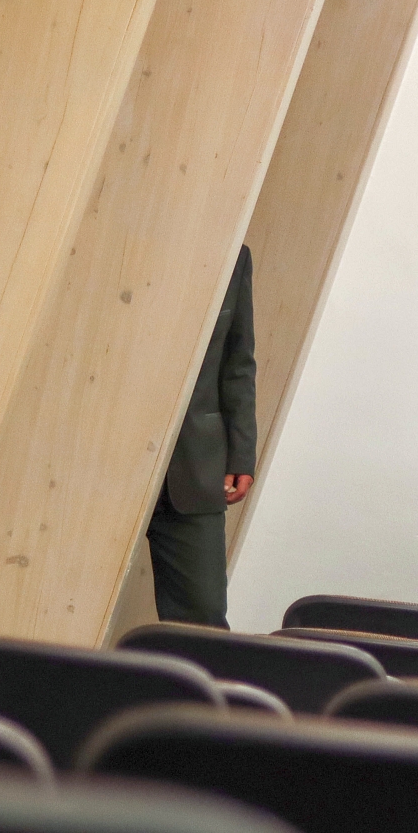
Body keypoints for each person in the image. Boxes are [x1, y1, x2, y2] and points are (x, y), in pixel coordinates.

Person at [147, 244, 256, 627]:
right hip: (102, 461)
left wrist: (241, 455)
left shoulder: (234, 254)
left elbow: (238, 363)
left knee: (204, 617)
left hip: (195, 462)